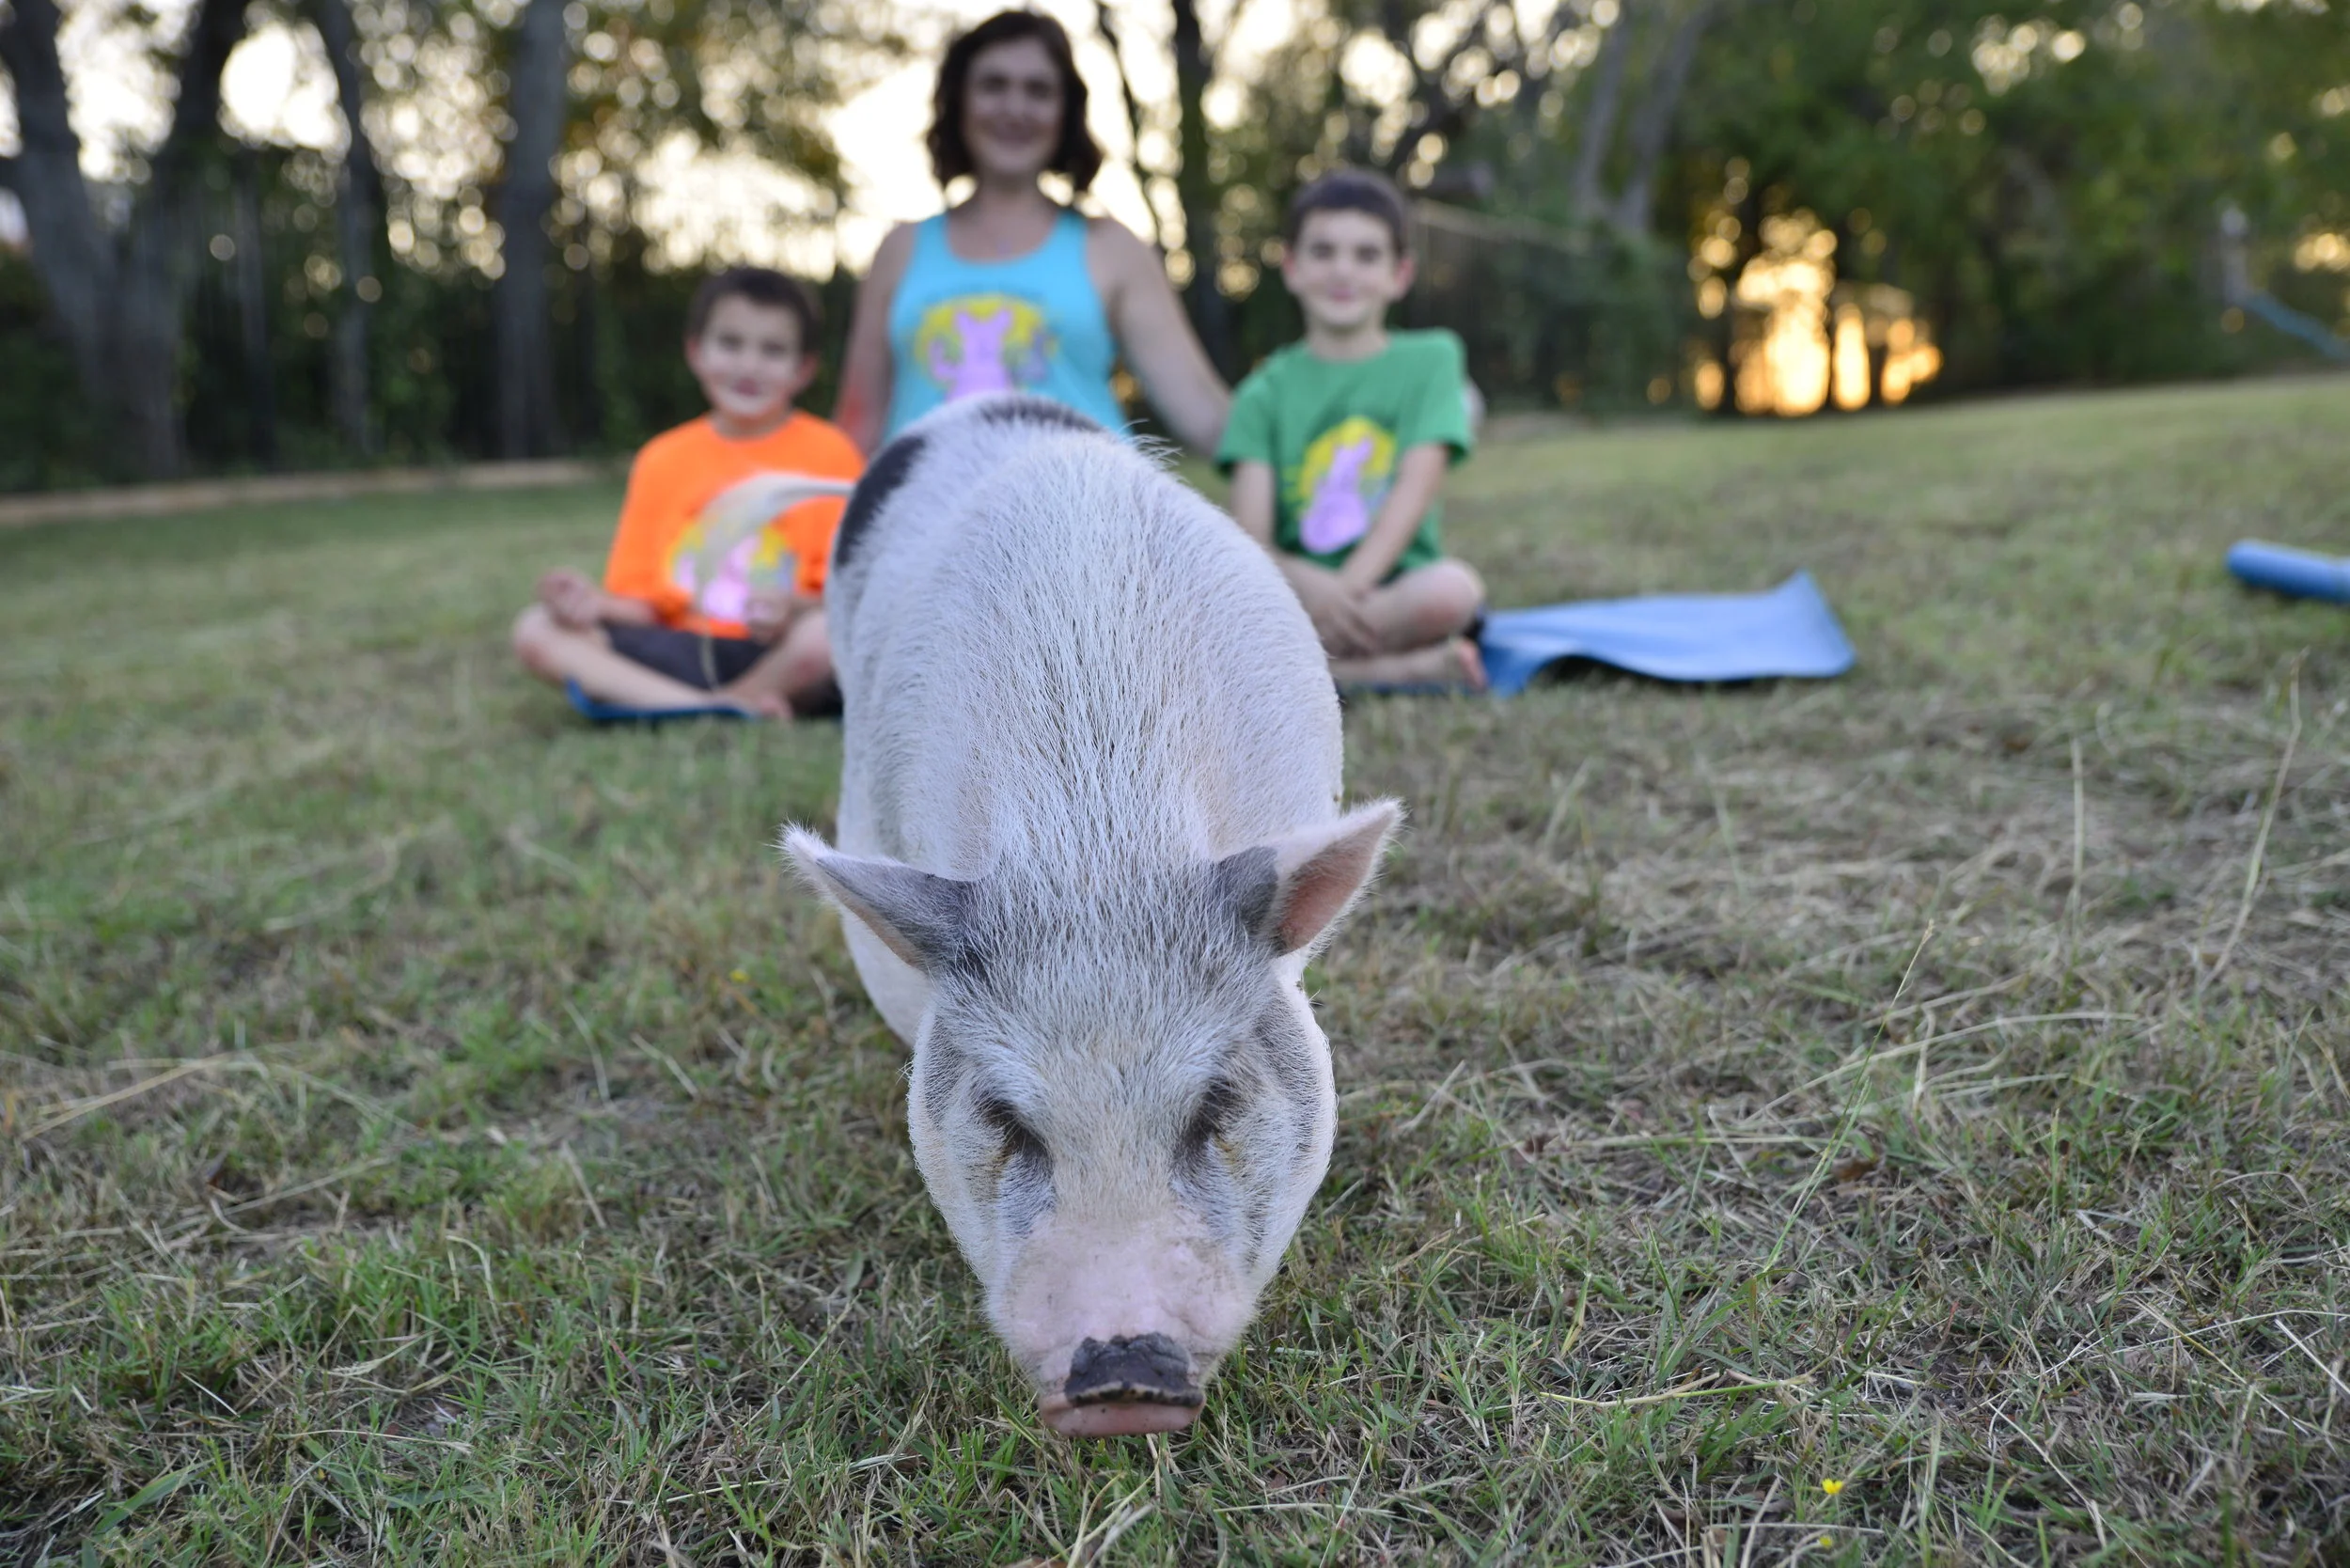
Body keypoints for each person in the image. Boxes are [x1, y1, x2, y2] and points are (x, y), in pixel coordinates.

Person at [832, 8, 1228, 453]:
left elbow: (1204, 413)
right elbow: (856, 425)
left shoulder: (1112, 247)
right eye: (993, 85)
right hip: (924, 518)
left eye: (1038, 90)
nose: (1015, 108)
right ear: (959, 100)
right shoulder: (900, 249)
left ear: (1066, 112)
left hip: (1085, 515)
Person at [511, 267, 863, 718]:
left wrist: (793, 608)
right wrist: (588, 603)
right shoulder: (663, 458)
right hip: (677, 646)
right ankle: (717, 706)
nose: (748, 366)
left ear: (804, 368)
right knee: (537, 630)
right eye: (730, 344)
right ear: (696, 351)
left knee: (826, 635)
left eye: (772, 350)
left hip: (779, 651)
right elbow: (644, 604)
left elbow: (852, 592)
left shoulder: (832, 454)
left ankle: (716, 699)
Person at [1219, 169, 1487, 691]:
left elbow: (1416, 488)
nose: (1343, 270)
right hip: (1294, 596)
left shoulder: (1433, 360)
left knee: (1454, 591)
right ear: (1292, 267)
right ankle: (1397, 673)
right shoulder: (1261, 393)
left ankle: (1300, 676)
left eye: (1367, 255)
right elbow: (1251, 544)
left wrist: (1345, 592)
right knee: (1222, 617)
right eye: (1323, 252)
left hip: (1389, 596)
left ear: (1400, 274)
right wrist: (1315, 591)